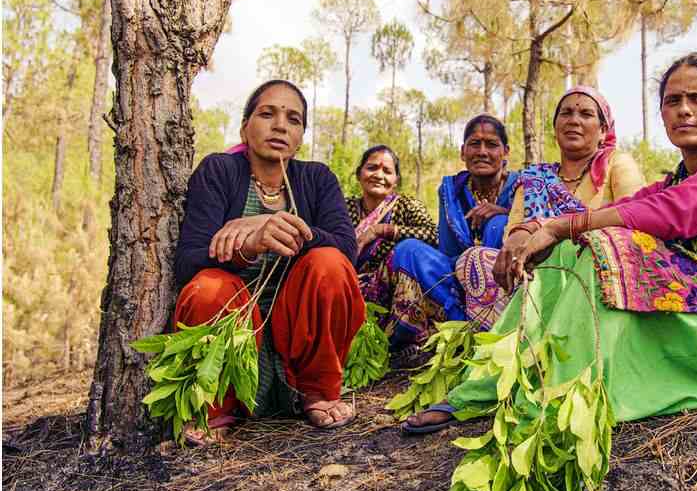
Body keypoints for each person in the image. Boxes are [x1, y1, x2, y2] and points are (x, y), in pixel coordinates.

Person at [402, 52, 697, 434]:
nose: (684, 111)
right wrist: (538, 229)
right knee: (571, 247)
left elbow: (672, 211)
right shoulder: (683, 175)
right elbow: (637, 203)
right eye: (672, 101)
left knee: (604, 243)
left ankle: (563, 396)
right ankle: (488, 385)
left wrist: (559, 226)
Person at [174, 79, 365, 445]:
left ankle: (318, 389)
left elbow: (346, 249)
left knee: (330, 264)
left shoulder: (317, 179)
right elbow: (187, 261)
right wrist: (247, 246)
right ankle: (216, 404)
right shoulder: (218, 171)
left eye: (293, 119)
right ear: (244, 127)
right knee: (209, 286)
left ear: (301, 136)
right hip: (237, 334)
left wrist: (275, 224)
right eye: (267, 114)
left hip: (296, 333)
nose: (280, 125)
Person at [455, 86, 645, 328]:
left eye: (586, 114)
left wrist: (551, 230)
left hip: (594, 272)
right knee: (474, 259)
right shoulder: (535, 177)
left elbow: (634, 216)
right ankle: (512, 340)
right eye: (566, 113)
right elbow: (516, 229)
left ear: (603, 131)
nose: (574, 120)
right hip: (536, 272)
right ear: (555, 127)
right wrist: (515, 244)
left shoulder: (617, 164)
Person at [386, 115, 520, 359]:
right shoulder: (450, 190)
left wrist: (504, 213)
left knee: (497, 225)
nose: (482, 152)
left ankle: (492, 331)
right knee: (408, 250)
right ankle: (459, 328)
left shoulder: (521, 186)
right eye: (474, 144)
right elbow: (447, 252)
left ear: (505, 152)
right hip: (457, 281)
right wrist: (468, 265)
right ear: (462, 152)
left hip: (509, 284)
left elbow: (534, 233)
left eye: (491, 144)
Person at [346, 146, 438, 309]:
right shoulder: (344, 207)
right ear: (359, 174)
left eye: (387, 171)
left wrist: (381, 230)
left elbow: (434, 235)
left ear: (396, 180)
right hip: (344, 286)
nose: (378, 175)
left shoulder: (407, 206)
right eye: (372, 168)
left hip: (393, 295)